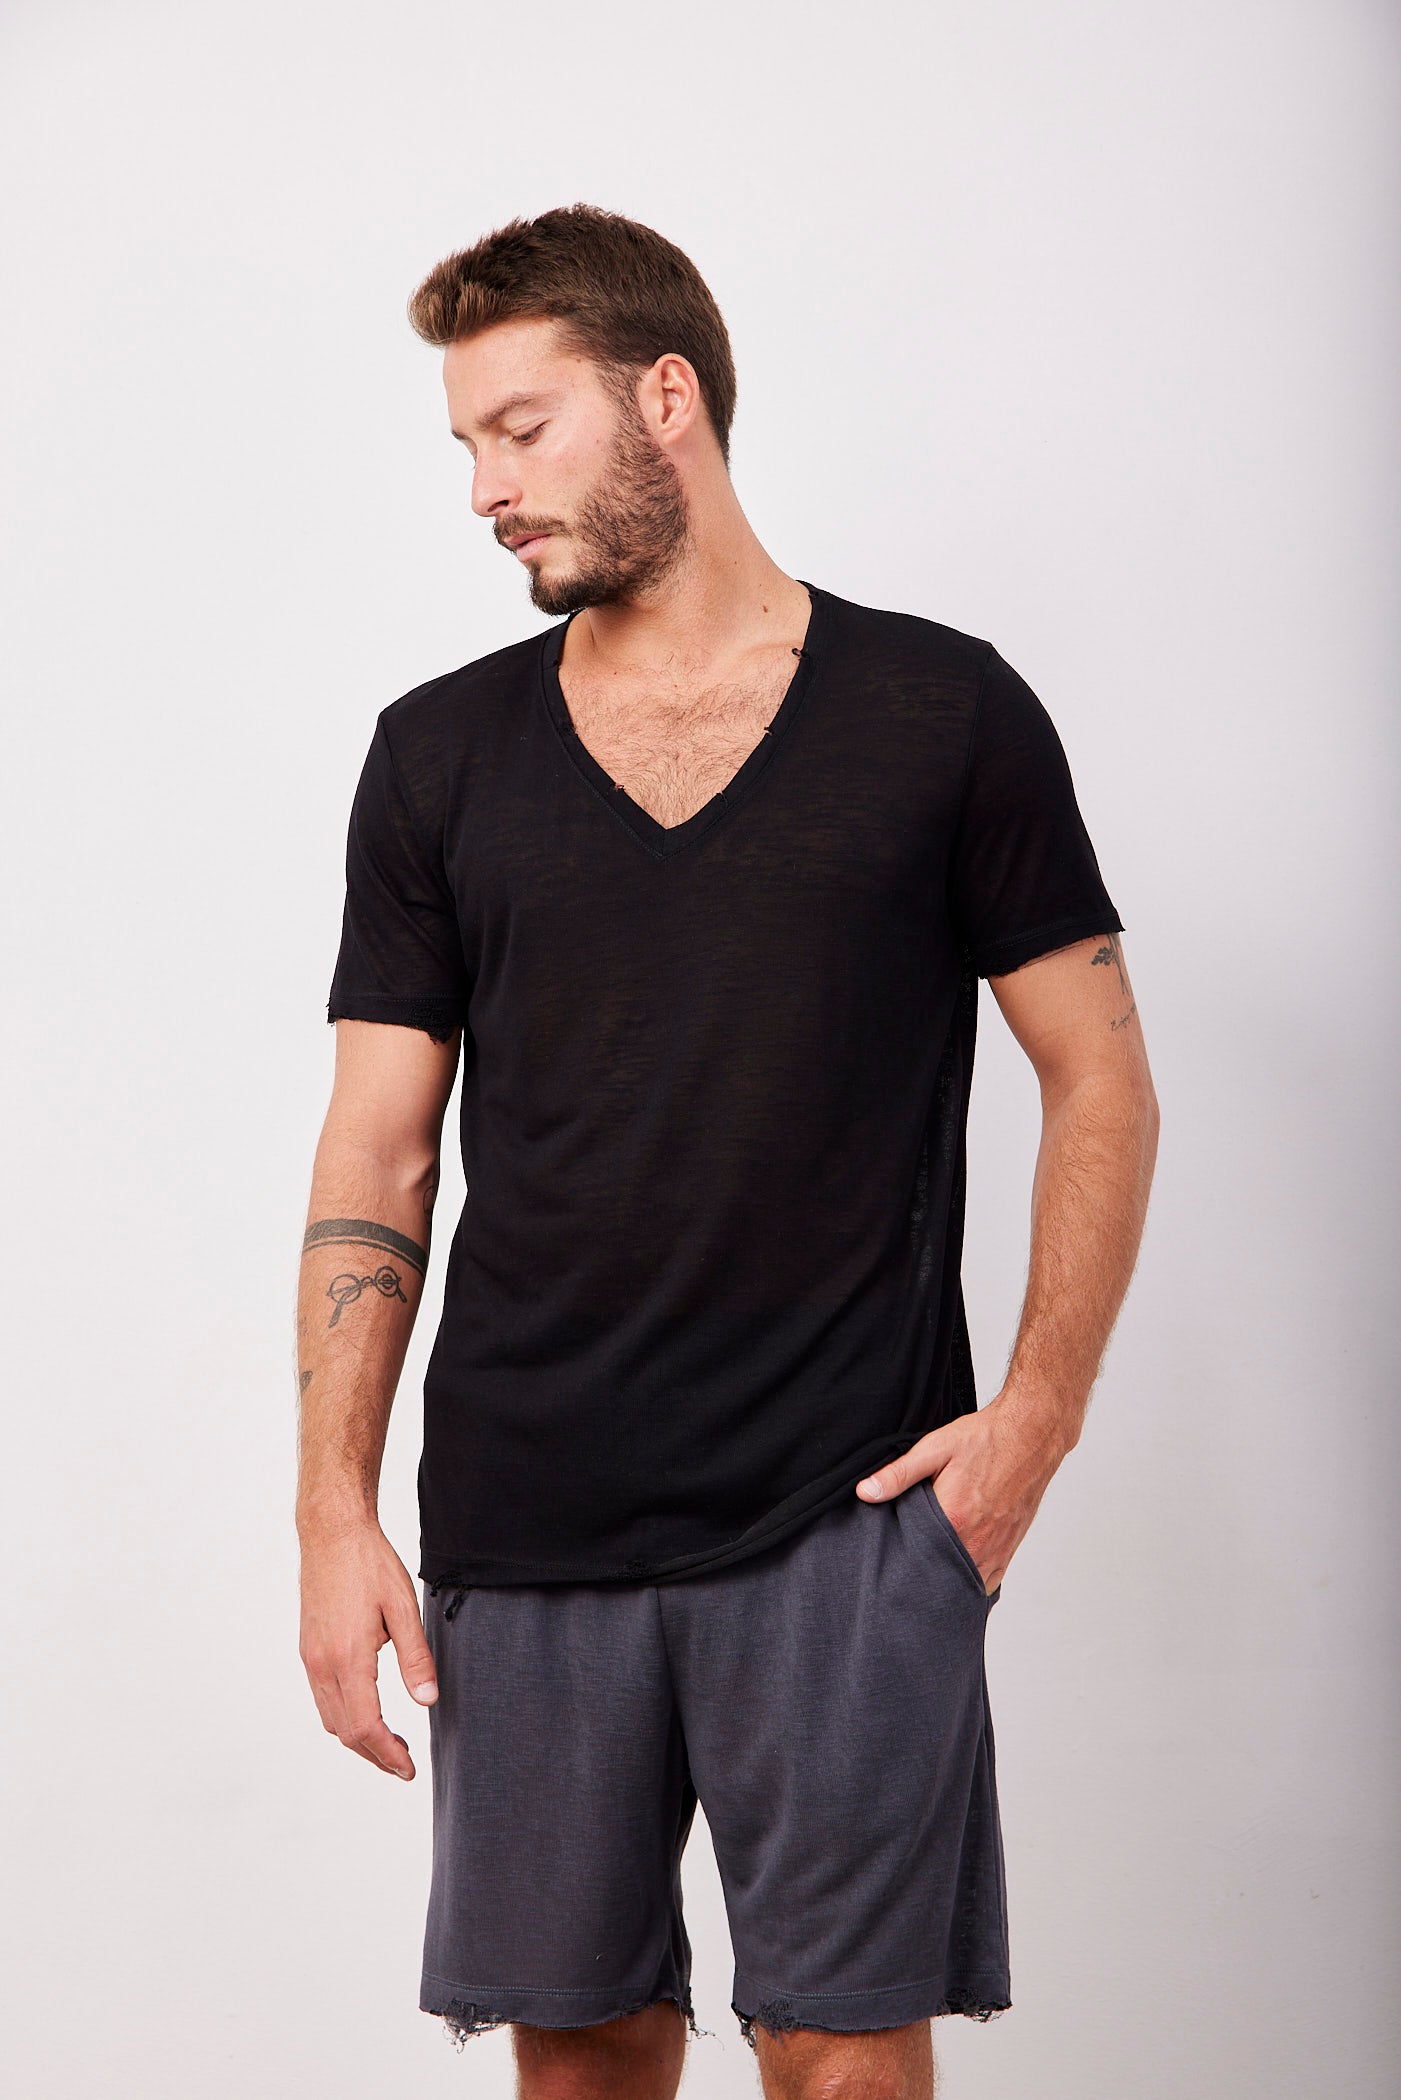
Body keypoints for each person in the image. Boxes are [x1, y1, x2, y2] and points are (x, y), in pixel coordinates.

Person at [295, 202, 1160, 2100]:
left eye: (519, 429)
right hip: (526, 1522)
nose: (482, 490)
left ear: (665, 398)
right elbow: (377, 1150)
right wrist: (331, 1512)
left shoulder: (941, 712)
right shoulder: (436, 756)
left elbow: (1100, 1077)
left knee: (842, 2055)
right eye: (465, 444)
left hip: (847, 1515)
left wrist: (1029, 1426)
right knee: (584, 2055)